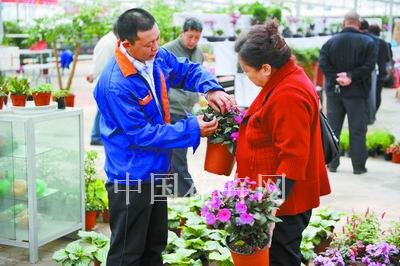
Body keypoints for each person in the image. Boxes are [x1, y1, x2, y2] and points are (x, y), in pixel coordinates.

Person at [93, 8, 235, 266]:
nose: (156, 46)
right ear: (127, 44)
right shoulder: (116, 84)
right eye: (149, 43)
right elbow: (141, 134)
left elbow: (186, 70)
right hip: (131, 178)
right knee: (127, 252)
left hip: (157, 170)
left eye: (158, 38)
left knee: (155, 244)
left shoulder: (155, 57)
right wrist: (193, 129)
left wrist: (211, 88)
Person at [234, 20, 331, 265]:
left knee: (282, 260)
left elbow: (293, 157)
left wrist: (270, 209)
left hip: (284, 205)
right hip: (275, 198)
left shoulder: (289, 94)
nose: (248, 76)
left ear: (266, 67)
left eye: (247, 71)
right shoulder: (284, 79)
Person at [319, 11, 375, 175]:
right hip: (357, 93)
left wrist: (337, 77)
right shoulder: (368, 42)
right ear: (358, 24)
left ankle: (332, 164)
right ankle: (358, 167)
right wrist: (350, 76)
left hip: (335, 92)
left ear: (344, 23)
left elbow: (323, 64)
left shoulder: (330, 42)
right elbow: (369, 66)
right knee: (357, 129)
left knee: (333, 129)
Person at [162, 17, 203, 197]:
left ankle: (167, 190)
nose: (193, 41)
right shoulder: (167, 51)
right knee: (178, 155)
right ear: (182, 33)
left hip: (188, 111)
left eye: (197, 37)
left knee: (174, 153)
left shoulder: (198, 52)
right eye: (190, 36)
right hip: (171, 110)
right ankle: (190, 195)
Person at [87, 24, 118, 145]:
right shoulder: (109, 42)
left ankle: (98, 135)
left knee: (104, 110)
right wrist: (93, 74)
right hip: (104, 81)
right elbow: (102, 63)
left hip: (106, 81)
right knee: (102, 110)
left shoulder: (111, 40)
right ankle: (95, 136)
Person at [369, 24, 393, 113]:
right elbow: (388, 58)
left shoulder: (368, 41)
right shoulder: (384, 43)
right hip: (382, 72)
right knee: (378, 93)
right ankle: (374, 112)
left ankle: (370, 112)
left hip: (371, 72)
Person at [360, 19, 379, 125]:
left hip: (364, 69)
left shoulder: (366, 39)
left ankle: (369, 118)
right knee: (371, 95)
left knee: (368, 96)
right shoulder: (374, 39)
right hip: (371, 69)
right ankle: (371, 117)